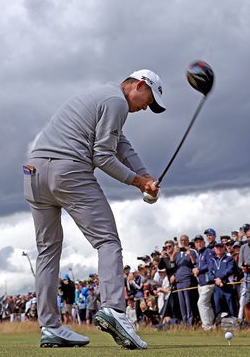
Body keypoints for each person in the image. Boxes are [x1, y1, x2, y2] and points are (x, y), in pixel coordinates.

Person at [25, 69, 164, 348]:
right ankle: (114, 308)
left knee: (48, 251)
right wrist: (137, 182)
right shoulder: (117, 103)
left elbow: (123, 146)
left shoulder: (102, 95)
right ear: (139, 85)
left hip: (33, 173)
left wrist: (146, 177)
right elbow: (102, 156)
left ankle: (50, 327)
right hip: (67, 171)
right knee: (107, 241)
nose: (145, 108)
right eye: (148, 101)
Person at [192, 234, 215, 330]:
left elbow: (210, 264)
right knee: (206, 305)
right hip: (201, 283)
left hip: (208, 283)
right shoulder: (199, 254)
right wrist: (194, 270)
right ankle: (211, 324)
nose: (199, 243)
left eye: (200, 241)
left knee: (201, 303)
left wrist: (199, 269)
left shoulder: (208, 252)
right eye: (197, 242)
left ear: (204, 242)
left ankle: (206, 326)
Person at [173, 234, 197, 325]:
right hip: (178, 280)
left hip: (187, 279)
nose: (183, 242)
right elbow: (172, 264)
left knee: (188, 302)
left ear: (188, 241)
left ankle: (190, 322)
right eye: (182, 240)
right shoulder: (177, 253)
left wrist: (190, 254)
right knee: (181, 303)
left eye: (185, 240)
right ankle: (184, 321)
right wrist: (174, 252)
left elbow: (195, 263)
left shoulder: (192, 251)